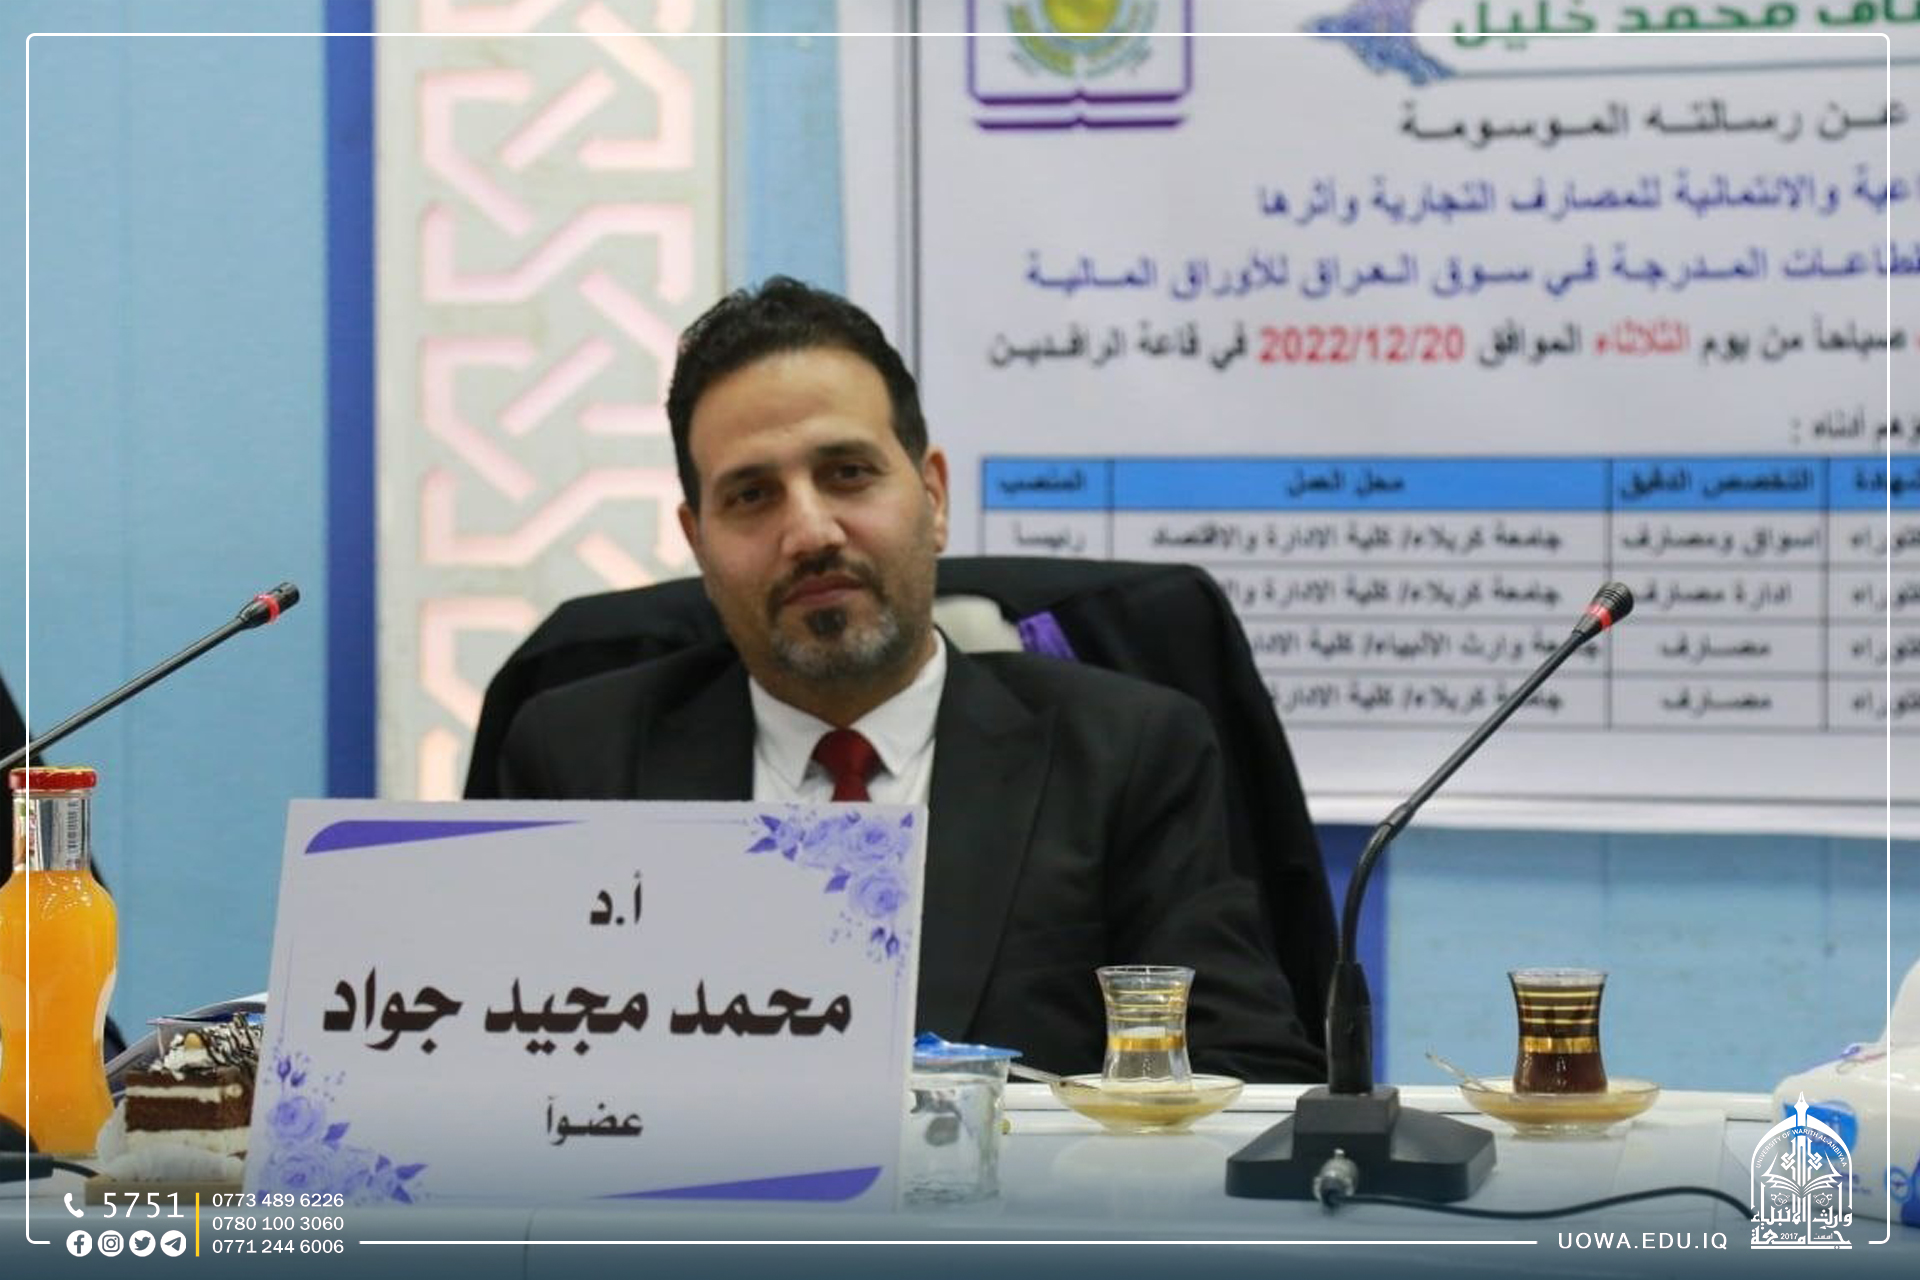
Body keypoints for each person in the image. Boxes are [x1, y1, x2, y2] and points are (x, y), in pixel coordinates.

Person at [497, 277, 1323, 1082]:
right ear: (698, 542)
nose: (810, 532)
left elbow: (1243, 1072)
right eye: (751, 495)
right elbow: (504, 1076)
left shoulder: (1128, 753)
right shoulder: (582, 761)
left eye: (847, 474)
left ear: (933, 497)